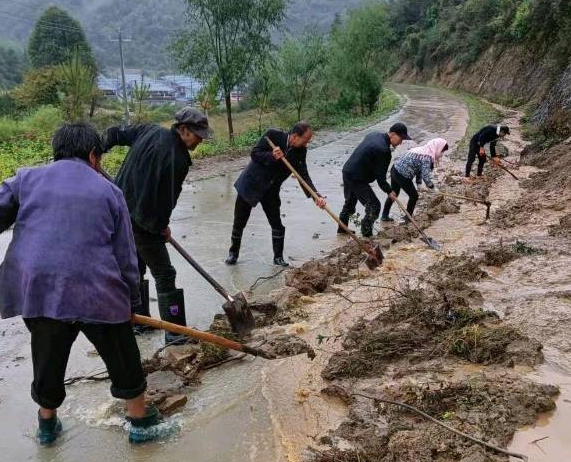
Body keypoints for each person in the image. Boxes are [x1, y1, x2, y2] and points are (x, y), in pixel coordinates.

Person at [0, 123, 167, 446]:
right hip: (97, 293)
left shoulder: (25, 180)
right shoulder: (110, 192)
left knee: (47, 354)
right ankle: (140, 422)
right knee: (123, 354)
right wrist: (130, 303)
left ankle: (47, 428)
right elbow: (127, 257)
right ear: (93, 156)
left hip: (39, 292)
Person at [104, 107, 211, 346]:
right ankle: (175, 332)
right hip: (144, 223)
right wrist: (162, 226)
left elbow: (114, 134)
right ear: (183, 130)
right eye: (198, 135)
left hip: (119, 213)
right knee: (165, 273)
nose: (200, 141)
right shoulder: (179, 159)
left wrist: (96, 153)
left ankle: (140, 321)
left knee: (137, 266)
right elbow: (166, 199)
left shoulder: (148, 130)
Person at [226, 122, 326, 267]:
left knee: (276, 223)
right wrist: (271, 155)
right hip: (251, 184)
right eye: (305, 140)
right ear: (294, 136)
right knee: (239, 221)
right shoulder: (273, 135)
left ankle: (278, 257)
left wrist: (316, 195)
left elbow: (302, 174)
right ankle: (233, 253)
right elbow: (255, 153)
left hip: (271, 190)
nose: (307, 143)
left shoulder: (300, 151)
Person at [338, 122, 412, 238]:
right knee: (374, 205)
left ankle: (342, 231)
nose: (401, 142)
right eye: (401, 138)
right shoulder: (384, 151)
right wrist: (389, 191)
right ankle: (367, 235)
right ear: (392, 134)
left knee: (349, 204)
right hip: (357, 177)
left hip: (347, 171)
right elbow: (380, 178)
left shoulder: (374, 134)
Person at [381, 137, 448, 222]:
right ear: (437, 147)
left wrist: (418, 184)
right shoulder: (427, 156)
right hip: (402, 175)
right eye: (442, 151)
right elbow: (426, 176)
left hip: (395, 169)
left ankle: (384, 216)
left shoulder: (423, 150)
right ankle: (408, 218)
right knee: (414, 196)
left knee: (394, 193)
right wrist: (432, 188)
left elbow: (419, 167)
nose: (442, 153)